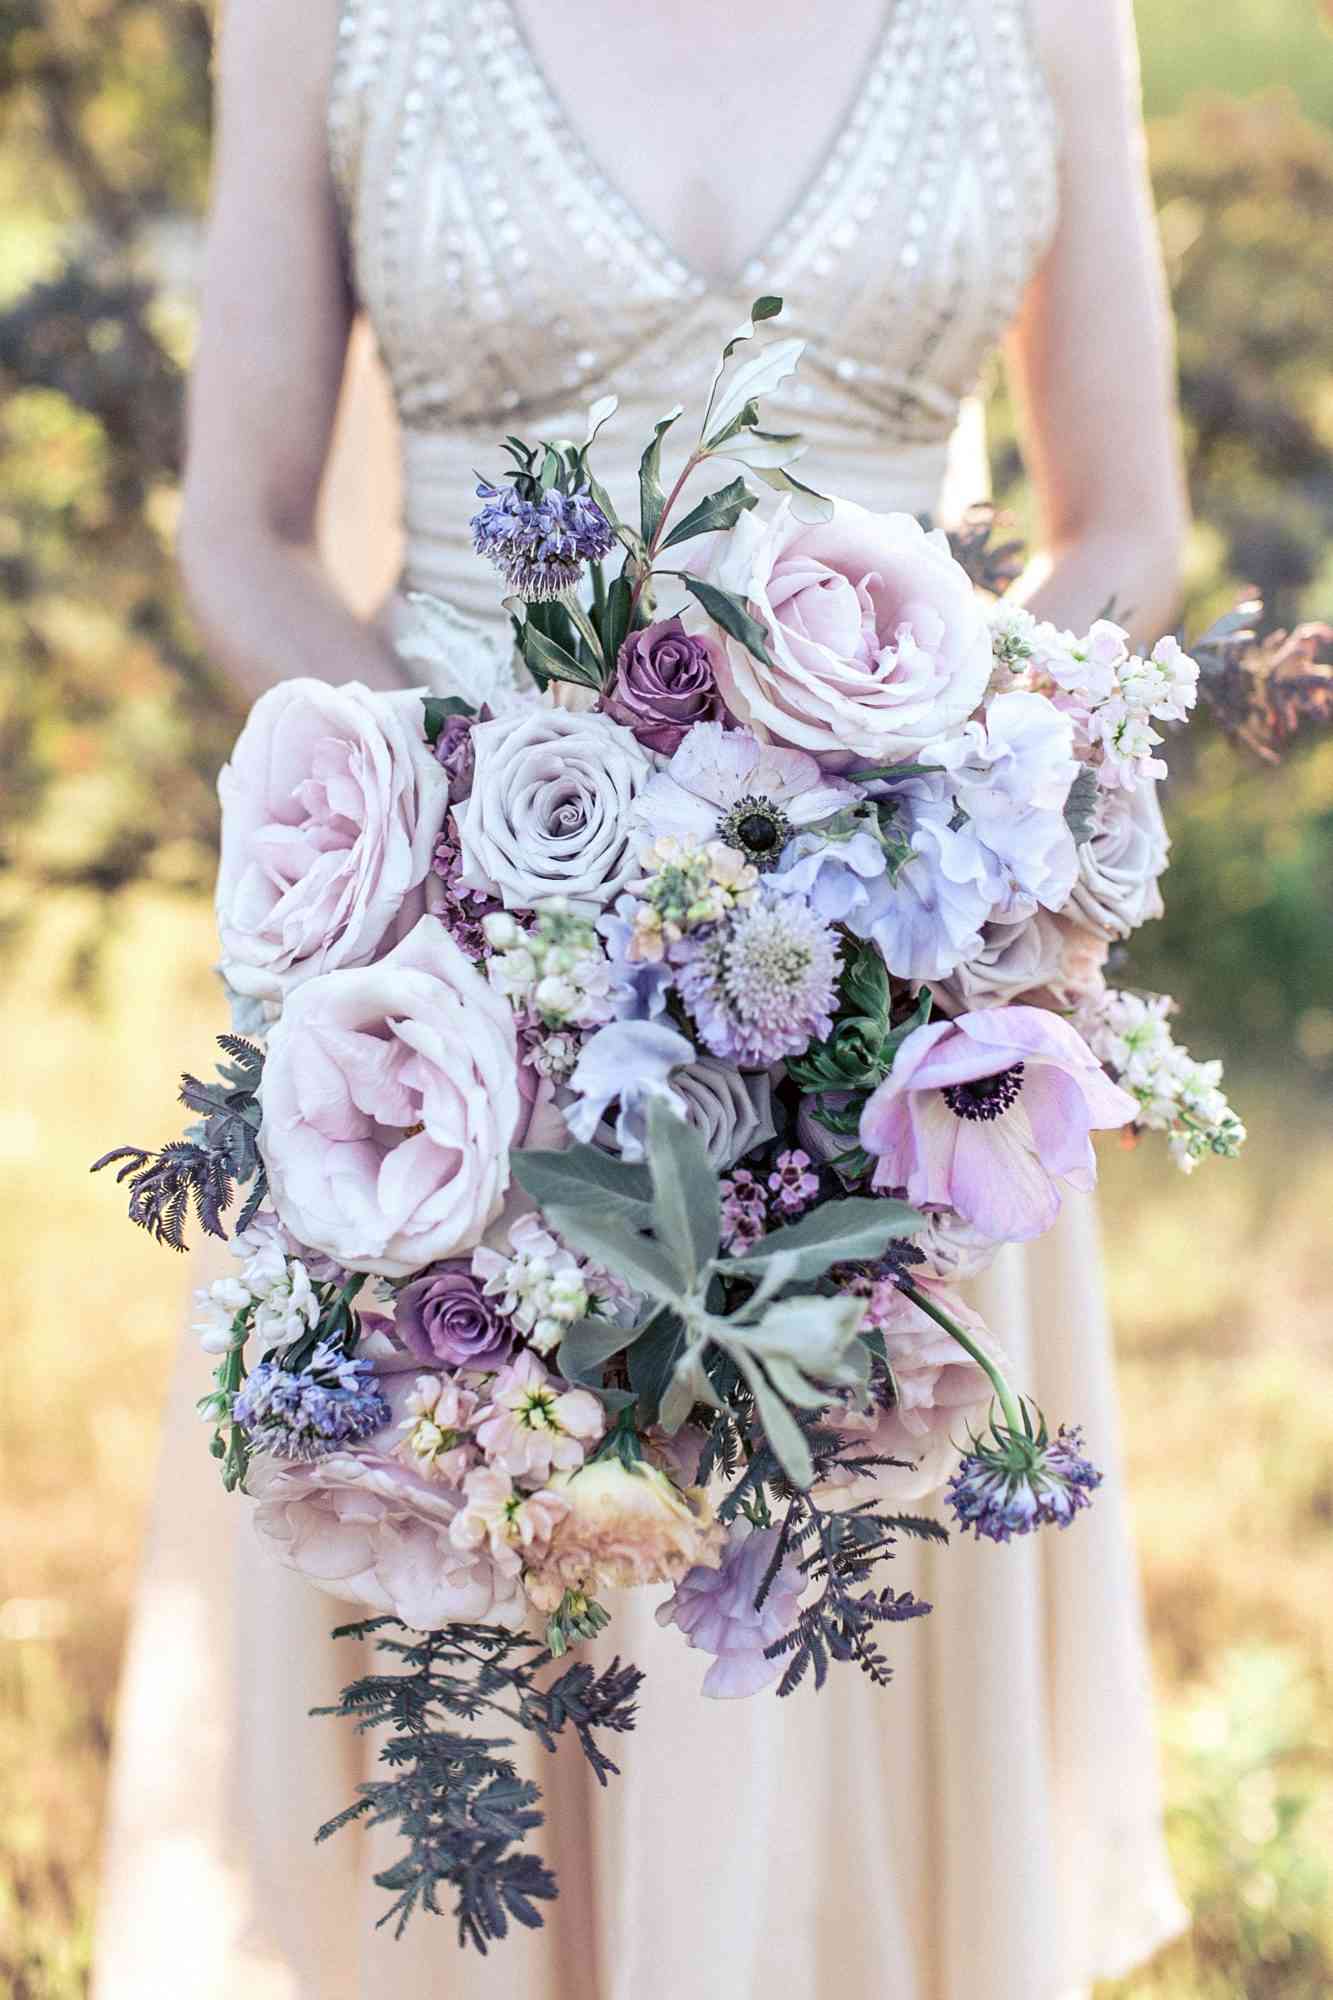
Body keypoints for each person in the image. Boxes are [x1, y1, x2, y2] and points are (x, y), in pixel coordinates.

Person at [94, 2, 1191, 1994]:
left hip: (890, 1019)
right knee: (466, 1683)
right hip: (446, 1022)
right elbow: (242, 531)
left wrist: (933, 829)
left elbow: (1125, 522)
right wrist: (464, 882)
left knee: (835, 1681)